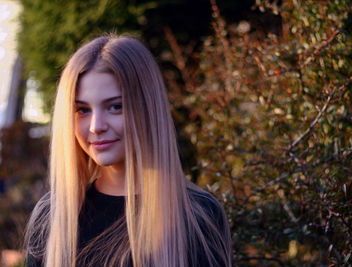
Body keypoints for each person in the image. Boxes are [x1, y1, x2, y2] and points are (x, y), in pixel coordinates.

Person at [24, 35, 232, 267]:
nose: (96, 126)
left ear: (147, 108)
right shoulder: (52, 216)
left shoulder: (197, 216)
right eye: (83, 110)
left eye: (115, 107)